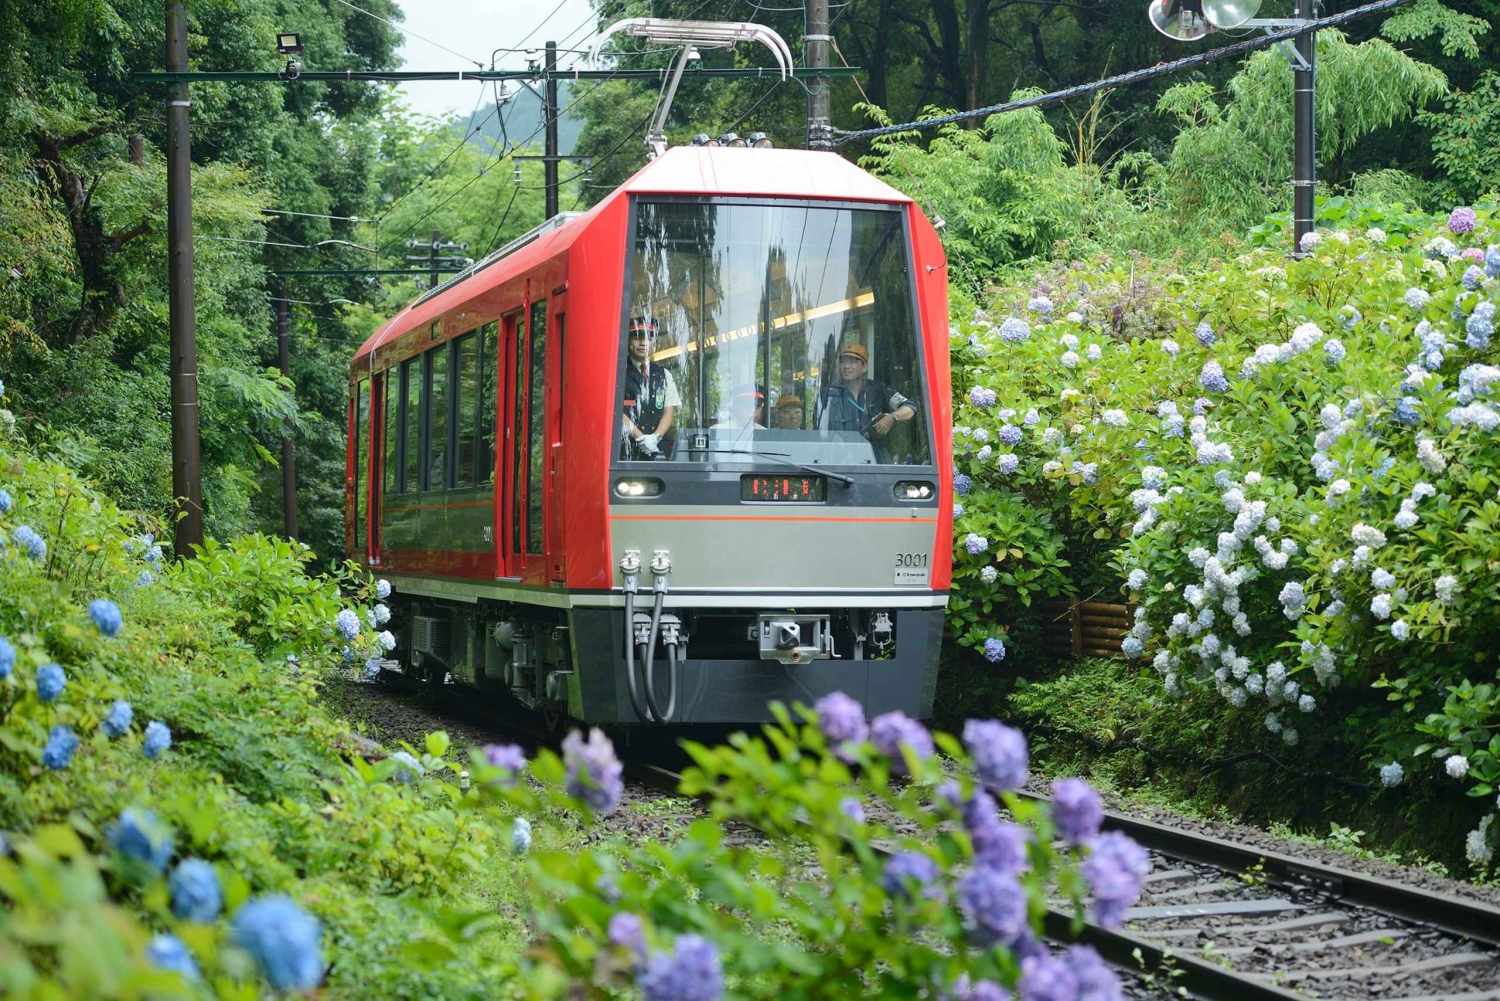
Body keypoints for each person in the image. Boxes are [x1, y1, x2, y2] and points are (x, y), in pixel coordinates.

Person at [815, 343, 917, 437]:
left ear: (864, 367)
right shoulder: (831, 393)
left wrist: (892, 417)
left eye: (852, 362)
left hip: (873, 454)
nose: (846, 366)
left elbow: (909, 407)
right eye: (843, 362)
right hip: (842, 454)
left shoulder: (878, 389)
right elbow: (819, 428)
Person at [620, 316, 680, 459]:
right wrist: (641, 438)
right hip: (625, 450)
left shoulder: (664, 375)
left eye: (648, 338)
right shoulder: (617, 373)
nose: (643, 343)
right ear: (628, 340)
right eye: (637, 337)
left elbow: (668, 412)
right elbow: (616, 412)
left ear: (654, 343)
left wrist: (654, 438)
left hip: (657, 450)